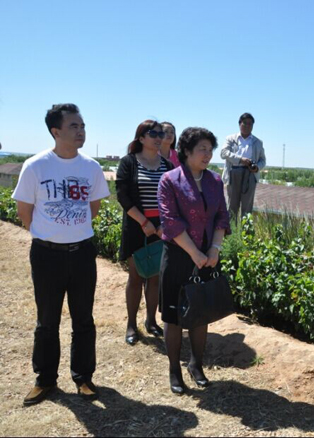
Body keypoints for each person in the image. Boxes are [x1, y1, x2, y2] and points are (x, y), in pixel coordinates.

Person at [12, 103, 110, 405]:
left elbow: (92, 209)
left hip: (82, 253)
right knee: (47, 320)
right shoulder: (35, 166)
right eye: (73, 127)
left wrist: (71, 231)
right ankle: (45, 380)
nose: (81, 131)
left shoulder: (91, 168)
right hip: (46, 255)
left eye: (82, 126)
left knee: (83, 318)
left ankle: (83, 378)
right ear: (56, 131)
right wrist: (49, 235)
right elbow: (24, 211)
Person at [158, 127, 230, 395]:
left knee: (201, 313)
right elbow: (170, 222)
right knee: (174, 316)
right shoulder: (170, 180)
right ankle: (174, 371)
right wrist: (195, 253)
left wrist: (214, 249)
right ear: (186, 151)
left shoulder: (214, 181)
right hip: (179, 255)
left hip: (207, 256)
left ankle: (196, 365)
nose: (208, 154)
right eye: (202, 149)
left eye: (210, 149)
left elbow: (222, 217)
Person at [116, 120, 173, 345]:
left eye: (161, 133)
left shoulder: (167, 166)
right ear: (141, 138)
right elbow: (122, 195)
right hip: (136, 228)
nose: (158, 137)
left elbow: (172, 199)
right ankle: (132, 324)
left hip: (160, 229)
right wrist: (143, 222)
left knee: (156, 277)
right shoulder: (129, 163)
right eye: (153, 133)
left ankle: (151, 321)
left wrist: (162, 226)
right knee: (136, 276)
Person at [220, 113, 266, 221]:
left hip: (250, 175)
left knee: (247, 207)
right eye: (244, 123)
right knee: (232, 206)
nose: (247, 126)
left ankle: (246, 234)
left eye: (250, 124)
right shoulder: (230, 139)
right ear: (239, 124)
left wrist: (257, 167)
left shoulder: (258, 142)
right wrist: (241, 159)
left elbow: (263, 160)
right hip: (233, 173)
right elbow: (223, 153)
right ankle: (231, 233)